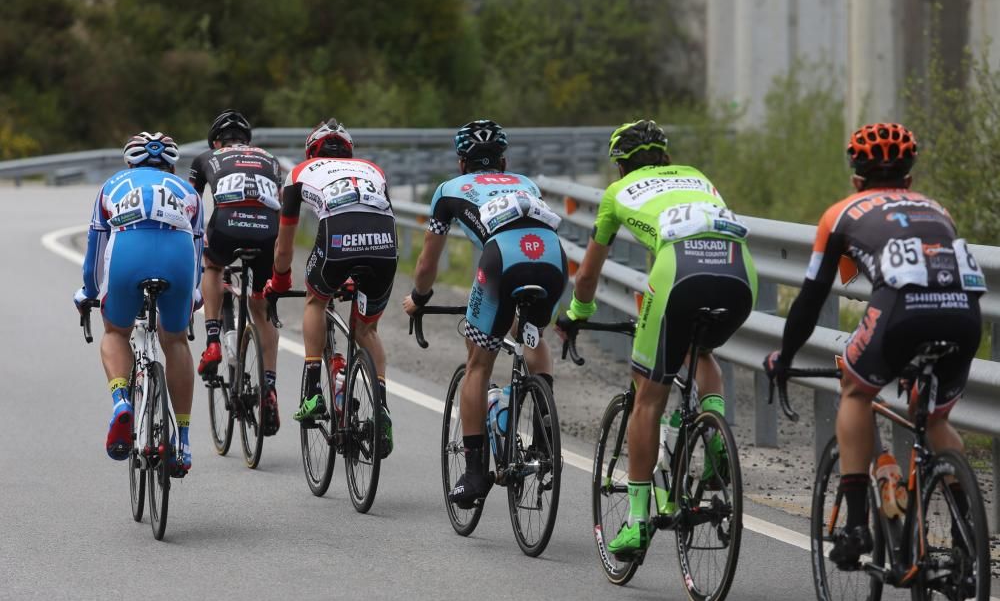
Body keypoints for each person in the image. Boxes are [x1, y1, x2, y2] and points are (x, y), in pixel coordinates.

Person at [764, 123, 985, 567]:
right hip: (964, 314)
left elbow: (811, 298)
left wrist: (784, 358)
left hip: (903, 313)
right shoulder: (937, 210)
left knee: (855, 390)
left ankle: (857, 524)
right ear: (909, 178)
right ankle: (966, 539)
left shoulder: (841, 213)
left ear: (856, 179)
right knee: (937, 418)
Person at [558, 120, 756, 557]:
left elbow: (588, 272)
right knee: (700, 349)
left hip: (679, 276)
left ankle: (637, 520)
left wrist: (578, 313)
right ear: (666, 156)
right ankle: (716, 428)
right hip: (740, 274)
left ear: (621, 164)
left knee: (647, 393)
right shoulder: (698, 177)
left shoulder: (618, 192)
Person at [402, 119, 568, 507]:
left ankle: (475, 473)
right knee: (531, 333)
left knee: (477, 362)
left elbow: (428, 262)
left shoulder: (448, 190)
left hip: (502, 262)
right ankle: (545, 436)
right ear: (504, 160)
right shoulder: (526, 183)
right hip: (553, 259)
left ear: (462, 163)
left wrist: (419, 297)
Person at [263, 118, 397, 456]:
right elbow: (375, 217)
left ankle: (312, 393)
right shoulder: (374, 170)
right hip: (385, 243)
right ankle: (381, 409)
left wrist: (279, 280)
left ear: (311, 151)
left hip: (338, 237)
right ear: (350, 152)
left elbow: (284, 245)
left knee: (316, 301)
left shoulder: (299, 172)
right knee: (366, 330)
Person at [74, 131, 204, 471]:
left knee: (116, 332)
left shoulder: (113, 185)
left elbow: (95, 251)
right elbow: (198, 249)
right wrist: (194, 293)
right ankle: (184, 441)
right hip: (178, 256)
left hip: (128, 254)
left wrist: (88, 291)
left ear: (130, 161)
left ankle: (121, 402)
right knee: (175, 339)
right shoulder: (189, 191)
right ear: (171, 166)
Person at [190, 109, 283, 435]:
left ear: (216, 141)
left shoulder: (207, 157)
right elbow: (282, 205)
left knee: (213, 265)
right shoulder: (271, 160)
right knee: (261, 307)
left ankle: (213, 340)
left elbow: (191, 205)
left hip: (227, 228)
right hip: (268, 232)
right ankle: (269, 387)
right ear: (248, 141)